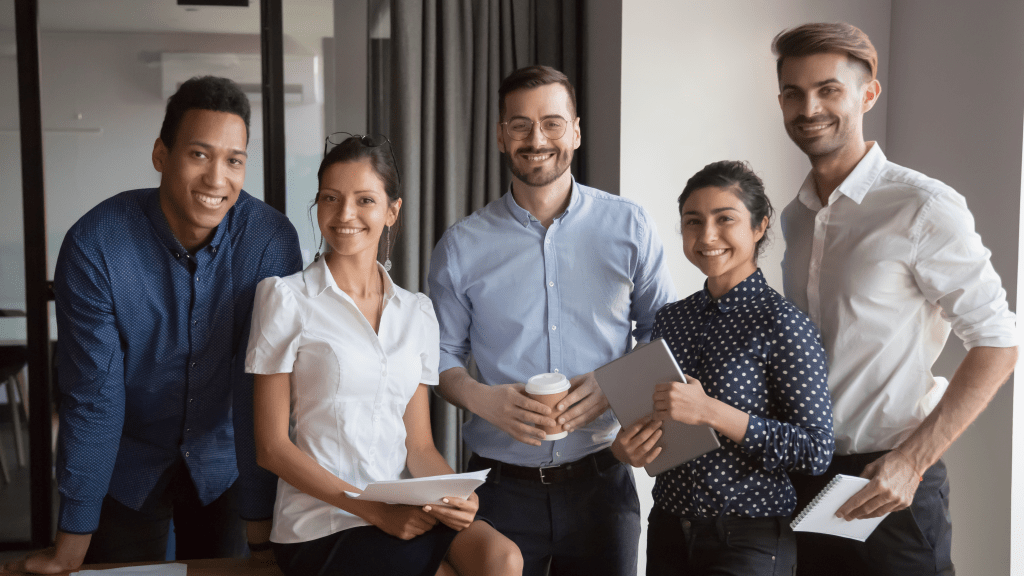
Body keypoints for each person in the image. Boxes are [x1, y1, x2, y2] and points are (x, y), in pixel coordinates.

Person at [3, 76, 302, 574]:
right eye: (199, 154)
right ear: (161, 154)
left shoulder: (269, 240)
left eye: (234, 160)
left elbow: (259, 386)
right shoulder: (95, 246)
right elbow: (94, 397)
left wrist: (260, 518)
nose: (216, 179)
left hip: (225, 457)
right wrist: (71, 544)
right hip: (126, 457)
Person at [772, 22, 1018, 575]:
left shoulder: (923, 206)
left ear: (868, 93)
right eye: (793, 92)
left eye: (829, 89)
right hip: (805, 475)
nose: (808, 107)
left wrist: (912, 461)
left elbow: (999, 342)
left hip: (889, 480)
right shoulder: (795, 217)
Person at [427, 65, 676, 576]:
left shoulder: (630, 226)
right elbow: (440, 356)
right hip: (497, 490)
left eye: (552, 123)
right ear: (501, 135)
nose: (536, 139)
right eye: (519, 124)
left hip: (603, 484)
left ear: (576, 131)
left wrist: (613, 387)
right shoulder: (461, 245)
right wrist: (482, 398)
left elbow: (663, 331)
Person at [246, 134, 522, 576]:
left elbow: (419, 446)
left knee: (503, 557)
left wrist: (455, 498)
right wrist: (373, 510)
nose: (345, 214)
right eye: (330, 198)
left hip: (401, 508)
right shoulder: (286, 298)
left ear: (392, 211)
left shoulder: (417, 312)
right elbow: (271, 447)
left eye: (364, 200)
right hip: (320, 522)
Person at [612, 160, 834, 575]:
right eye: (692, 222)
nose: (707, 236)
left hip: (749, 539)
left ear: (759, 225)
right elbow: (660, 423)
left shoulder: (783, 323)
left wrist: (711, 411)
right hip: (669, 529)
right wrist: (627, 448)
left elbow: (815, 450)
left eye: (724, 219)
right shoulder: (671, 320)